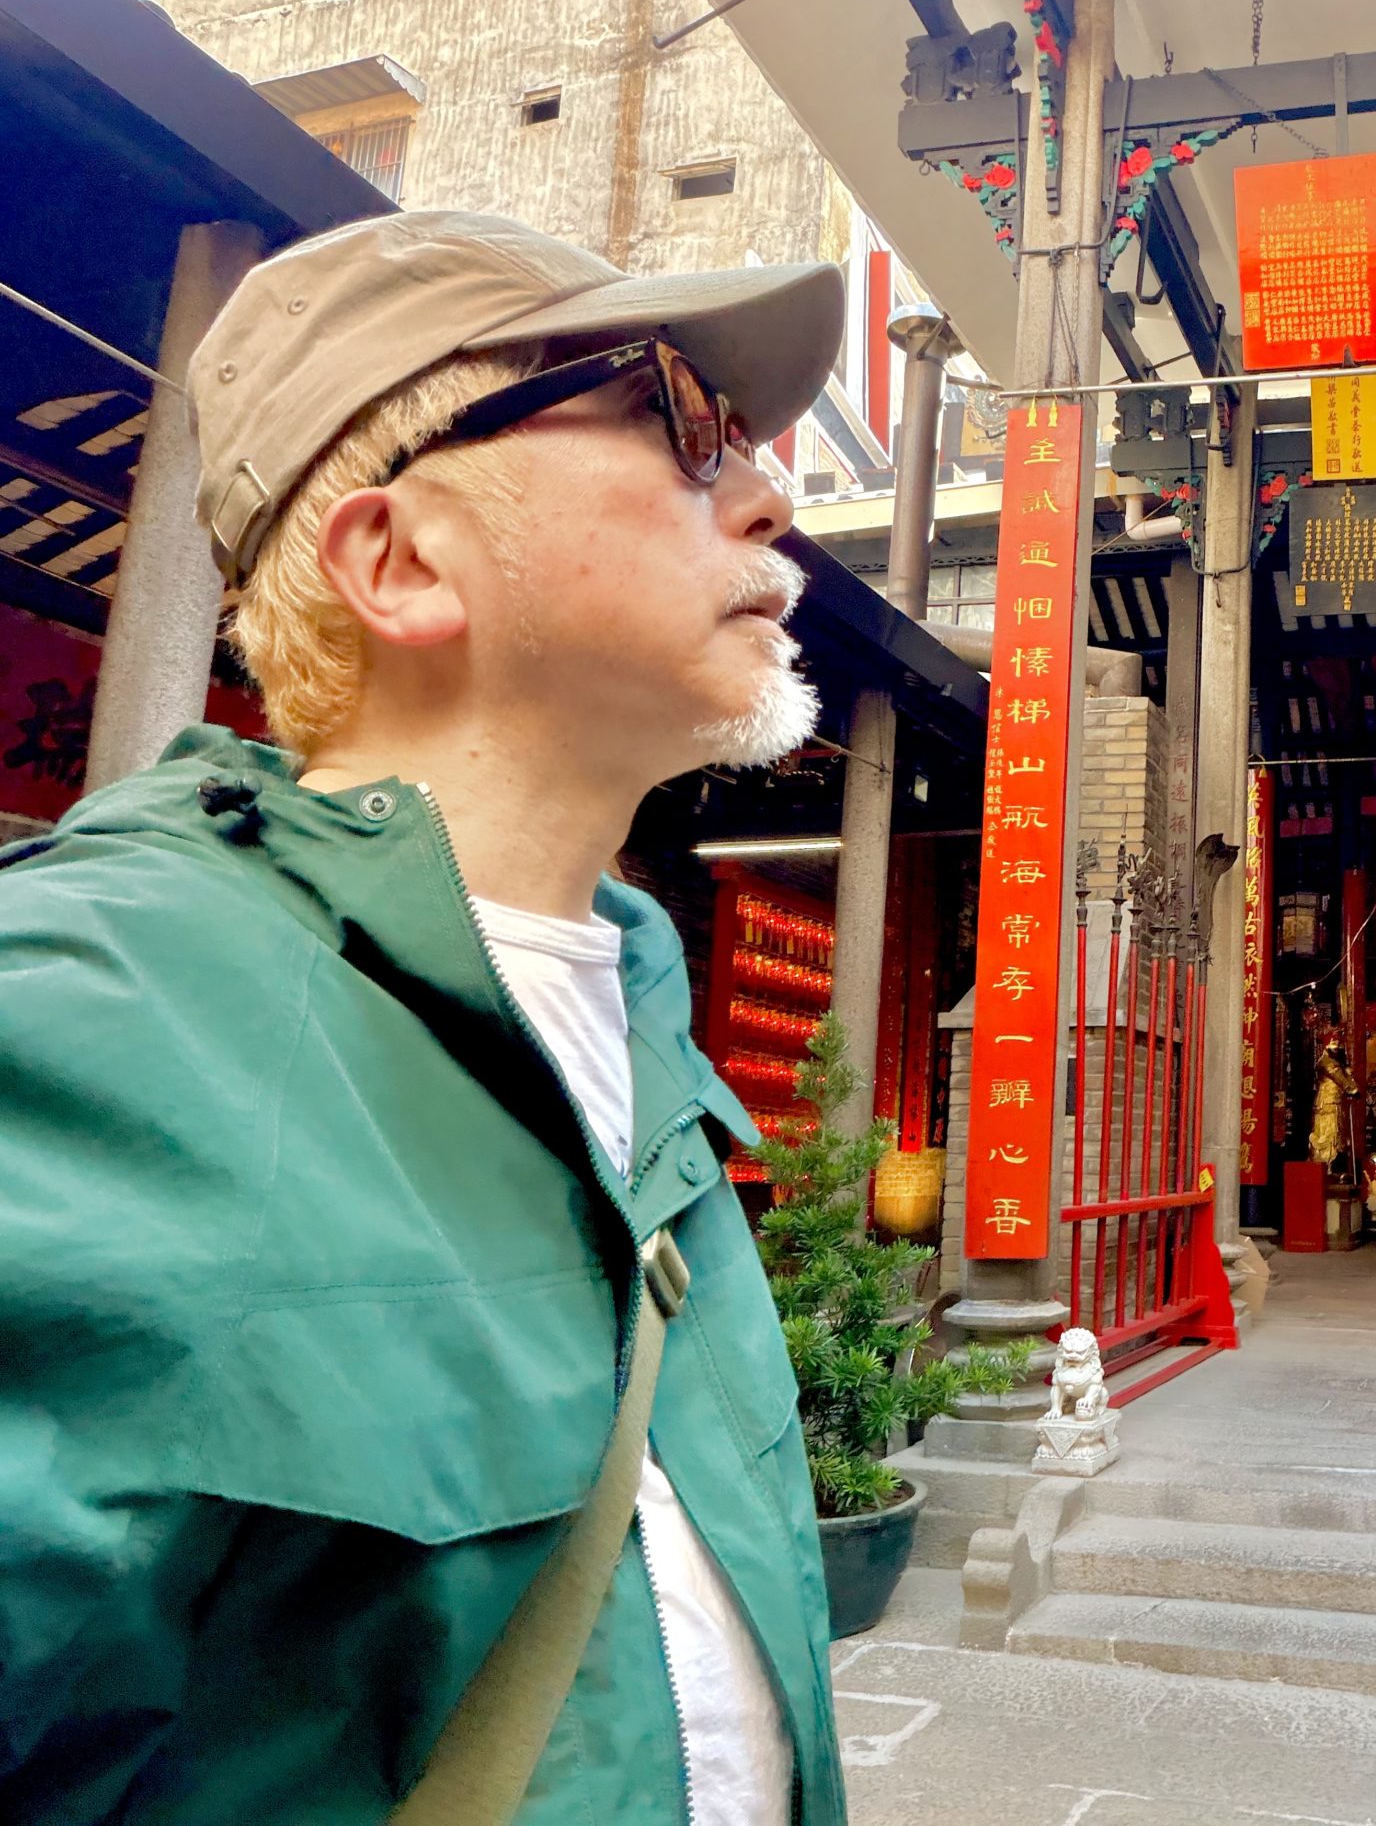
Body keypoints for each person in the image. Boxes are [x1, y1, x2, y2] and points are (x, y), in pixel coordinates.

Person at [0, 212, 852, 1824]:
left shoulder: (646, 1026)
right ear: (398, 563)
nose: (768, 496)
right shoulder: (92, 1014)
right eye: (679, 418)